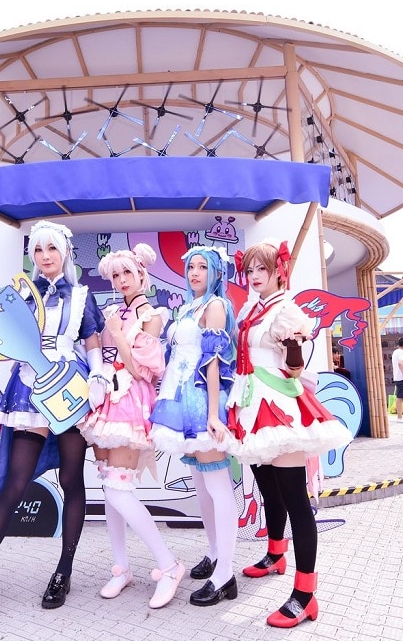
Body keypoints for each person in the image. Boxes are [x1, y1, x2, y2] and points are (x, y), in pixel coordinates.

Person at [0, 221, 104, 630]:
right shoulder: (21, 294)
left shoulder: (81, 295)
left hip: (70, 387)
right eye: (38, 250)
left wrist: (98, 374)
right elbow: (3, 338)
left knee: (72, 479)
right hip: (30, 384)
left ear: (65, 252)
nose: (45, 256)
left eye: (51, 249)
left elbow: (92, 342)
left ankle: (64, 571)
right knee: (14, 483)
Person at [228, 241, 353, 629]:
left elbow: (294, 367)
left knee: (294, 498)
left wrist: (294, 346)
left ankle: (305, 595)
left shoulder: (287, 310)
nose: (254, 276)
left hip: (279, 404)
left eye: (262, 269)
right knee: (267, 485)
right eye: (250, 270)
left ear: (279, 271)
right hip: (251, 402)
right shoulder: (251, 308)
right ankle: (275, 554)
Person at [80, 243, 184, 608]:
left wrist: (116, 332)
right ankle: (121, 567)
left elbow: (143, 369)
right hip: (107, 398)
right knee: (109, 488)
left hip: (130, 399)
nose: (122, 280)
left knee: (119, 490)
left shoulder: (152, 315)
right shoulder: (115, 312)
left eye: (128, 273)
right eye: (116, 274)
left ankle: (169, 565)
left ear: (142, 274)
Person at [149, 245, 238, 608]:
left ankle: (226, 573)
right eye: (191, 267)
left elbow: (213, 360)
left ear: (216, 273)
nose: (195, 273)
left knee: (218, 486)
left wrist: (214, 414)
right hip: (179, 398)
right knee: (202, 487)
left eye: (203, 267)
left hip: (200, 401)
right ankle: (215, 554)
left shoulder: (215, 306)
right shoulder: (187, 307)